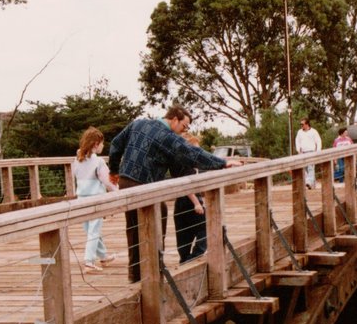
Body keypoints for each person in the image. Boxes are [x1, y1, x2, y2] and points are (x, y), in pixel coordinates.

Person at [108, 105, 239, 282]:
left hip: (126, 180)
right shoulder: (167, 136)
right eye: (184, 126)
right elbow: (193, 153)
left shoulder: (138, 123)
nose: (183, 131)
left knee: (133, 227)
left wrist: (114, 170)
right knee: (156, 219)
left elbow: (116, 143)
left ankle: (135, 274)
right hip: (144, 185)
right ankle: (154, 269)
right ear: (174, 119)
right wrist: (222, 163)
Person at [73, 127, 119, 272]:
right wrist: (118, 192)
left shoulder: (77, 159)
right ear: (95, 144)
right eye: (102, 143)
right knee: (94, 231)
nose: (103, 146)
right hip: (96, 200)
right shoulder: (98, 162)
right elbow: (108, 182)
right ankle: (89, 262)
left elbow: (76, 176)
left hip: (81, 199)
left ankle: (103, 256)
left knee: (91, 231)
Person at [171, 133, 208, 264]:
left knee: (183, 236)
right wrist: (197, 203)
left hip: (180, 203)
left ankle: (185, 259)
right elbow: (186, 186)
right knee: (207, 227)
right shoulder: (187, 166)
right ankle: (194, 256)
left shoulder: (179, 162)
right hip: (190, 202)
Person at [295, 118, 323, 189]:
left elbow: (318, 141)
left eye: (302, 124)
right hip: (303, 152)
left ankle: (308, 182)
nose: (301, 125)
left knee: (311, 168)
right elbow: (297, 141)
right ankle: (312, 184)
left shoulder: (313, 131)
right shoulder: (299, 132)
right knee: (304, 169)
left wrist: (318, 151)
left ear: (307, 124)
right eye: (300, 124)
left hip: (311, 152)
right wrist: (298, 150)